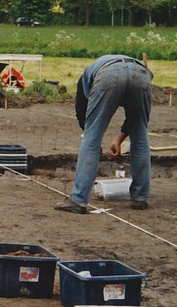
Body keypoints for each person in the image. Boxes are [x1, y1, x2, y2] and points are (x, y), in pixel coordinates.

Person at [55, 55, 153, 214]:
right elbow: (135, 120)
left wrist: (98, 143)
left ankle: (78, 200)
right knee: (140, 135)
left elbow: (82, 114)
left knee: (92, 137)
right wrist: (118, 139)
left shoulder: (85, 79)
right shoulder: (142, 72)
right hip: (142, 75)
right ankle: (140, 197)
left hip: (109, 75)